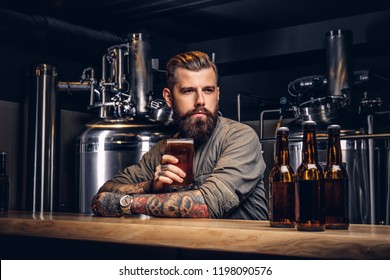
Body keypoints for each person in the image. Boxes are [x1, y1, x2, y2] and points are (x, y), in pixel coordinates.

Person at [91, 51, 268, 220]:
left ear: (218, 94)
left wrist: (127, 203)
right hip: (188, 247)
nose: (200, 100)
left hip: (239, 248)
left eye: (208, 90)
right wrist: (150, 186)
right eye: (188, 91)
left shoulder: (240, 137)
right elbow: (105, 193)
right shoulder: (162, 150)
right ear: (169, 98)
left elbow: (209, 203)